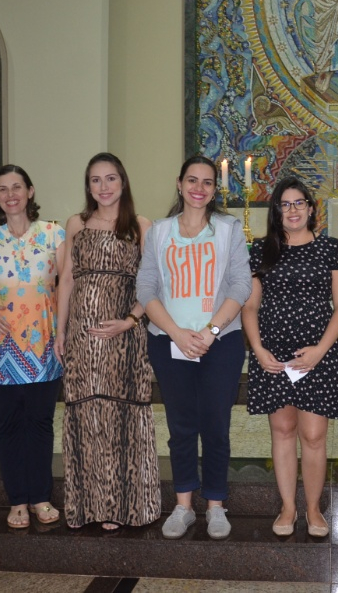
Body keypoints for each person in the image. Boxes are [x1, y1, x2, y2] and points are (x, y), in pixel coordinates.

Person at [137, 155, 252, 540]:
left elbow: (241, 285)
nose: (199, 188)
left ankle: (216, 504)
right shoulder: (159, 231)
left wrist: (211, 330)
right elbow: (146, 288)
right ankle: (184, 505)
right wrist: (176, 333)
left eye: (206, 182)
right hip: (169, 342)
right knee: (181, 426)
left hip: (221, 343)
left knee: (216, 425)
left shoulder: (228, 229)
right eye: (192, 180)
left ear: (214, 189)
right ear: (180, 183)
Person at [55, 152, 159, 531]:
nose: (104, 187)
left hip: (124, 339)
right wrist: (60, 330)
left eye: (111, 178)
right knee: (87, 416)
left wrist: (130, 320)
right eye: (96, 180)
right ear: (88, 186)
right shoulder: (76, 224)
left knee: (118, 416)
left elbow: (151, 285)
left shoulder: (141, 225)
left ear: (123, 182)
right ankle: (91, 505)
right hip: (83, 337)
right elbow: (66, 279)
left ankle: (122, 506)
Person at [241, 177, 338, 538]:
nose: (292, 210)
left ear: (311, 208)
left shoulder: (331, 248)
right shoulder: (261, 250)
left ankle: (313, 507)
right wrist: (258, 349)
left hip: (316, 354)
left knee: (314, 435)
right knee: (283, 430)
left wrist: (320, 350)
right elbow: (251, 305)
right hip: (273, 351)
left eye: (299, 203)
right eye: (284, 204)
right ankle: (288, 506)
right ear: (276, 211)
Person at [0, 165, 65, 529]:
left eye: (17, 187)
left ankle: (41, 496)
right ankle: (17, 501)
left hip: (42, 342)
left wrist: (65, 331)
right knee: (8, 424)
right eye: (2, 189)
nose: (10, 194)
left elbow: (65, 285)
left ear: (30, 190)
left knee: (40, 422)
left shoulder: (53, 234)